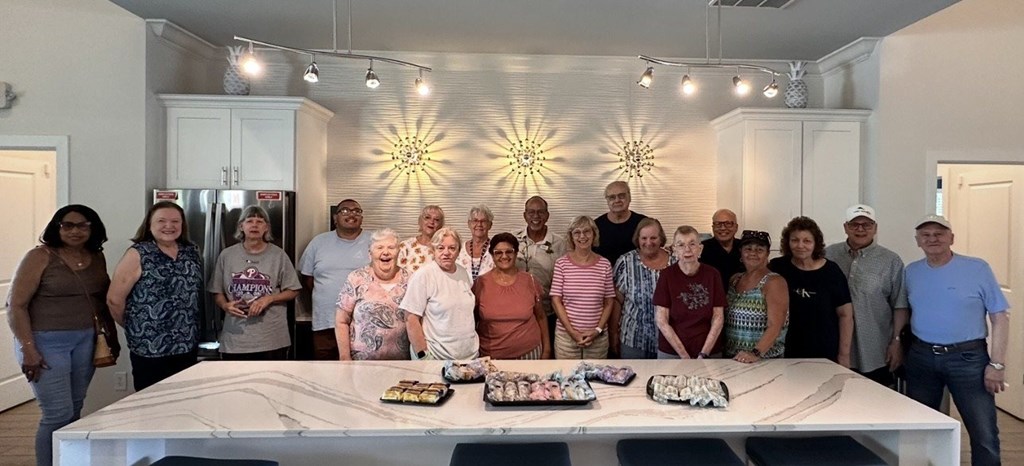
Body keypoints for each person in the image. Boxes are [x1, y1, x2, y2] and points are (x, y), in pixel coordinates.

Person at [8, 205, 112, 466]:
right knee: (57, 414)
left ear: (93, 228)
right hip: (45, 342)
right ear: (57, 227)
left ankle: (67, 461)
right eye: (67, 225)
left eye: (82, 225)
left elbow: (100, 300)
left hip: (86, 340)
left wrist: (111, 337)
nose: (75, 231)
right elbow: (16, 305)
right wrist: (28, 348)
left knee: (75, 409)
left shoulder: (96, 256)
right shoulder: (39, 256)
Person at [904, 214, 1008, 466]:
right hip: (922, 357)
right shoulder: (912, 271)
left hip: (968, 359)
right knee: (919, 429)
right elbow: (904, 311)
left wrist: (997, 365)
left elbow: (1000, 318)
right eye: (926, 235)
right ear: (918, 241)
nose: (933, 239)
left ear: (952, 238)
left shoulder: (977, 268)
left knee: (983, 432)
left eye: (939, 233)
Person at [108, 201, 202, 391]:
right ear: (149, 225)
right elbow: (114, 300)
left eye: (175, 221)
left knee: (184, 399)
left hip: (187, 343)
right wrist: (134, 326)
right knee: (151, 402)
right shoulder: (138, 253)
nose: (169, 226)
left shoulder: (190, 252)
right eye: (161, 221)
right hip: (150, 346)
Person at [824, 204, 908, 385]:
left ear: (875, 228)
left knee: (876, 406)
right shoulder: (828, 255)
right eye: (854, 225)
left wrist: (897, 342)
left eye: (866, 225)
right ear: (845, 227)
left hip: (875, 351)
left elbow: (900, 306)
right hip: (832, 345)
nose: (860, 229)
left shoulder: (891, 260)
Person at [208, 206, 301, 360]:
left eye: (259, 221)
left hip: (271, 339)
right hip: (235, 340)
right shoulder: (227, 255)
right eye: (249, 221)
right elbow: (217, 291)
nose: (254, 225)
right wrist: (225, 305)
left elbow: (294, 290)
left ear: (266, 228)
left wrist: (269, 298)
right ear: (241, 226)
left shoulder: (278, 255)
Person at [768, 216, 853, 367]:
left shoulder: (832, 272)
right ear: (787, 242)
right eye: (795, 240)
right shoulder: (777, 268)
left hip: (824, 352)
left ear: (816, 244)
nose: (800, 245)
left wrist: (844, 355)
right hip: (785, 351)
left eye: (807, 241)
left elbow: (845, 315)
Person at [298, 199, 372, 360]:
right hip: (325, 322)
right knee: (326, 374)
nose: (351, 214)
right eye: (345, 210)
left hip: (364, 324)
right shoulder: (318, 242)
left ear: (361, 218)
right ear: (335, 218)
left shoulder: (374, 241)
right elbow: (307, 278)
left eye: (356, 211)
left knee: (364, 375)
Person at [401, 227, 479, 360]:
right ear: (433, 250)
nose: (446, 253)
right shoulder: (424, 275)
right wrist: (422, 355)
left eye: (452, 248)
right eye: (441, 248)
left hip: (469, 356)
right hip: (436, 358)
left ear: (458, 251)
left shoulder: (462, 273)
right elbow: (411, 318)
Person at [336, 228, 412, 360]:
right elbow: (341, 321)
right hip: (362, 364)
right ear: (370, 254)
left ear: (399, 252)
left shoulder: (411, 279)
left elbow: (419, 321)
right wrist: (344, 358)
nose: (386, 252)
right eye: (379, 247)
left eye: (391, 247)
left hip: (403, 363)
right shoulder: (356, 278)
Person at [474, 232, 551, 359]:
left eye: (509, 251)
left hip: (529, 353)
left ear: (516, 254)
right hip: (490, 356)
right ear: (492, 255)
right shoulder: (480, 283)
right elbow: (473, 320)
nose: (504, 256)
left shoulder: (530, 281)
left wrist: (547, 350)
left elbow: (541, 317)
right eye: (498, 252)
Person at [653, 225, 726, 359]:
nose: (687, 249)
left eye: (692, 244)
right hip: (672, 352)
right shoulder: (666, 275)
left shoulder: (713, 275)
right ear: (674, 250)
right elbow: (661, 320)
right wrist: (684, 356)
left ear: (700, 248)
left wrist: (703, 354)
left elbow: (718, 318)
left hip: (709, 350)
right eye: (681, 245)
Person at [550, 216, 615, 359]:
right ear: (571, 237)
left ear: (594, 234)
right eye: (577, 232)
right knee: (566, 378)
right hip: (566, 338)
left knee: (597, 380)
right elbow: (556, 300)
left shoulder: (604, 264)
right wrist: (572, 332)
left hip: (597, 338)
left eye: (587, 231)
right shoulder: (561, 264)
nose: (582, 236)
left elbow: (609, 301)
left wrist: (597, 331)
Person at [613, 218, 675, 359]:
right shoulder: (625, 262)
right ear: (638, 239)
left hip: (670, 341)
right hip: (633, 340)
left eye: (653, 237)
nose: (648, 242)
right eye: (644, 238)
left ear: (661, 239)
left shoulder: (675, 261)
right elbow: (616, 301)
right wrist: (613, 333)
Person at [723, 230, 789, 363]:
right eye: (748, 249)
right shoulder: (735, 279)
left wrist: (755, 353)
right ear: (741, 252)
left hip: (764, 360)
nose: (753, 253)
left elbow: (775, 325)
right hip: (732, 359)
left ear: (767, 254)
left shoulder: (774, 282)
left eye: (760, 249)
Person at [514, 196, 567, 346]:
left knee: (546, 355)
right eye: (531, 212)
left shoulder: (560, 244)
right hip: (519, 312)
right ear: (525, 215)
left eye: (540, 212)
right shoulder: (513, 239)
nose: (536, 217)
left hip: (548, 311)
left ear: (547, 215)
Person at [594, 181, 648, 269]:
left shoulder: (644, 223)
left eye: (621, 196)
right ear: (607, 200)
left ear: (630, 197)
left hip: (638, 277)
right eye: (612, 197)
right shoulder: (596, 226)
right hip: (605, 278)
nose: (617, 200)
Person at [699, 208, 744, 289]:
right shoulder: (701, 249)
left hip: (742, 298)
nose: (723, 228)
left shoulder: (745, 248)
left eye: (728, 223)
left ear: (736, 227)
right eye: (718, 224)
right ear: (713, 227)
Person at [397, 205, 445, 274]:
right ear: (420, 221)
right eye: (427, 217)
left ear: (441, 225)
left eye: (436, 220)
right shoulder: (405, 246)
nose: (431, 222)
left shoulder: (445, 248)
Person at [456, 204, 495, 281]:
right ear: (469, 224)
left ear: (490, 225)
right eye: (475, 220)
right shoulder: (459, 249)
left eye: (483, 221)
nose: (479, 224)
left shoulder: (496, 250)